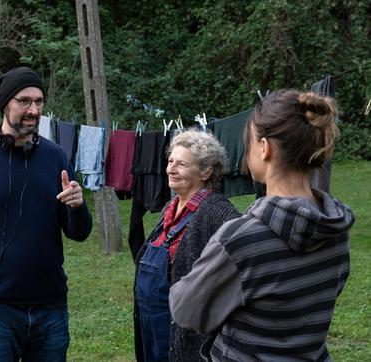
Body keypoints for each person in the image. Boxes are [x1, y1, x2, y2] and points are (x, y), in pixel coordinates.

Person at [170, 89, 355, 361]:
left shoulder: (240, 240)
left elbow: (185, 309)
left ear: (265, 148)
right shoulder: (337, 230)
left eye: (249, 143)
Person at [0, 66, 93, 361]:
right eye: (24, 101)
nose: (33, 110)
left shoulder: (55, 156)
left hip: (51, 307)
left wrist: (77, 206)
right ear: (5, 104)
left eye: (38, 102)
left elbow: (78, 232)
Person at [133, 130, 241, 361]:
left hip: (186, 334)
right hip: (152, 325)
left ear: (206, 171)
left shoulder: (217, 211)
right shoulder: (170, 208)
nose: (171, 169)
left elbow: (242, 258)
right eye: (171, 161)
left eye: (181, 164)